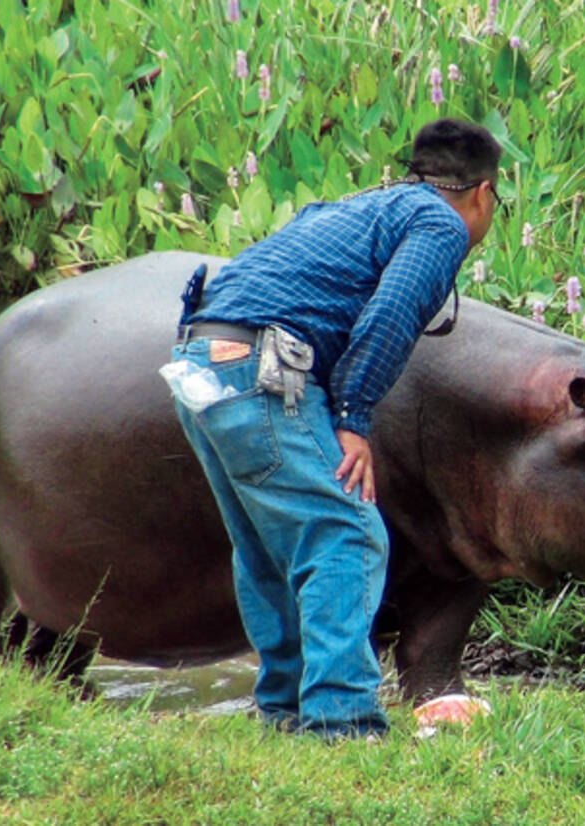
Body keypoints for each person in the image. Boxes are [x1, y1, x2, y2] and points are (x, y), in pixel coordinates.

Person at [167, 118, 502, 740]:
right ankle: (340, 721)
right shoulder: (438, 224)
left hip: (198, 361)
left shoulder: (355, 207)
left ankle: (286, 711)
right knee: (347, 532)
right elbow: (392, 315)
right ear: (483, 193)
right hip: (260, 369)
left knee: (267, 546)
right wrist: (353, 418)